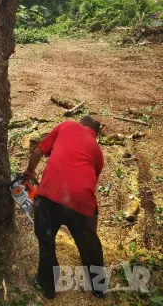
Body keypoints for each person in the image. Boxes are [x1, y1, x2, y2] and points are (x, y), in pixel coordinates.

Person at [24, 116, 106, 299]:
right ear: (96, 135)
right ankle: (99, 288)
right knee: (90, 245)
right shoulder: (98, 152)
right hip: (80, 202)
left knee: (46, 242)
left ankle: (48, 287)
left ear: (80, 124)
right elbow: (92, 182)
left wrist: (30, 170)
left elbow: (38, 151)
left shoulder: (67, 126)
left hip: (48, 197)